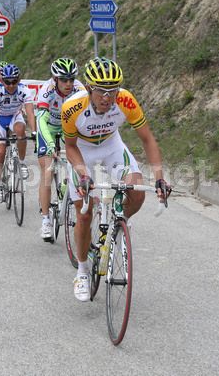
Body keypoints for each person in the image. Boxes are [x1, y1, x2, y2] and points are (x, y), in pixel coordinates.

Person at [61, 57, 171, 302]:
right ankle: (82, 271)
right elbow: (69, 146)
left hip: (111, 145)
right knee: (84, 213)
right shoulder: (72, 107)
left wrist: (160, 179)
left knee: (137, 192)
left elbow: (148, 139)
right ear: (89, 88)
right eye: (101, 90)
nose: (107, 97)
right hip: (82, 151)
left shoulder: (125, 100)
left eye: (113, 90)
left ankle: (119, 224)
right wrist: (84, 175)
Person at [36, 58, 85, 240]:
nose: (68, 84)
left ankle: (66, 187)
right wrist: (50, 144)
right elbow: (41, 120)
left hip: (68, 128)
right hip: (48, 127)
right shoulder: (46, 90)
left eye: (71, 79)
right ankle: (45, 220)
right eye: (64, 80)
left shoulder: (79, 90)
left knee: (78, 165)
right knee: (48, 172)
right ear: (55, 79)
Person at [0, 64, 36, 203]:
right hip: (0, 118)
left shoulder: (24, 90)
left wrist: (34, 131)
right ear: (2, 81)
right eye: (7, 82)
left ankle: (21, 162)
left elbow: (30, 113)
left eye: (14, 81)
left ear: (19, 80)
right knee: (1, 151)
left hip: (15, 115)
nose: (10, 85)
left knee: (21, 131)